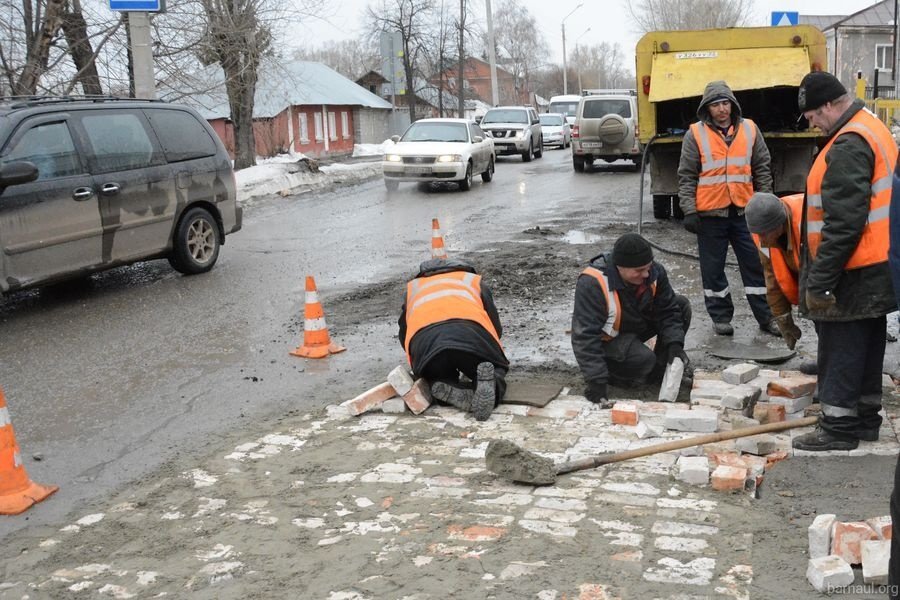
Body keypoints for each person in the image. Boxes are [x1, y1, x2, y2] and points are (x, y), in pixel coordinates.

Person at [791, 71, 897, 452]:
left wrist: (821, 279)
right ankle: (866, 419)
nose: (812, 123)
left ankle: (837, 428)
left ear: (829, 106)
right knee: (867, 343)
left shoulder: (849, 144)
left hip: (854, 265)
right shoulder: (870, 128)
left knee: (841, 345)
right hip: (878, 260)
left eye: (813, 116)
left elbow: (844, 221)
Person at [678, 80, 779, 337]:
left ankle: (767, 316)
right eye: (715, 105)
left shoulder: (750, 129)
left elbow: (762, 168)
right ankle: (721, 317)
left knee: (757, 265)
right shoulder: (695, 134)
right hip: (710, 216)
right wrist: (689, 210)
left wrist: (764, 202)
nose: (721, 109)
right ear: (707, 109)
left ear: (732, 105)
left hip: (745, 213)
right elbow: (687, 175)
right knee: (713, 271)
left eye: (725, 103)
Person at [571, 233, 691, 407]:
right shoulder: (593, 283)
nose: (646, 273)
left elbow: (668, 311)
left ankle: (657, 373)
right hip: (609, 340)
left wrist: (674, 344)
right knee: (643, 359)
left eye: (648, 267)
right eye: (639, 270)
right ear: (620, 267)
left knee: (681, 306)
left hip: (634, 324)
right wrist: (596, 380)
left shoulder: (654, 272)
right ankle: (615, 375)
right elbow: (584, 336)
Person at [398, 257, 509, 421]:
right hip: (469, 335)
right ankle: (488, 383)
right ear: (461, 268)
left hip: (426, 345)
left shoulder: (413, 289)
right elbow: (495, 325)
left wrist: (420, 360)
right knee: (493, 369)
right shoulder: (471, 281)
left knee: (437, 378)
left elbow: (404, 334)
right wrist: (490, 354)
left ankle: (444, 386)